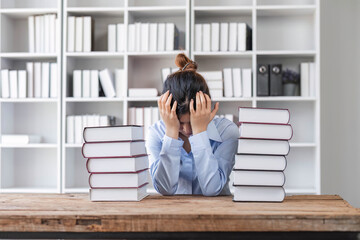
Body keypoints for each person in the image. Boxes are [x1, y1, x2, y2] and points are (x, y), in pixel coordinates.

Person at [145, 53, 239, 196]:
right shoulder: (156, 133)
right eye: (181, 123)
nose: (188, 130)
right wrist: (171, 131)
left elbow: (212, 189)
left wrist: (200, 131)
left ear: (206, 107)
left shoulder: (226, 131)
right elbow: (165, 189)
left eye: (192, 122)